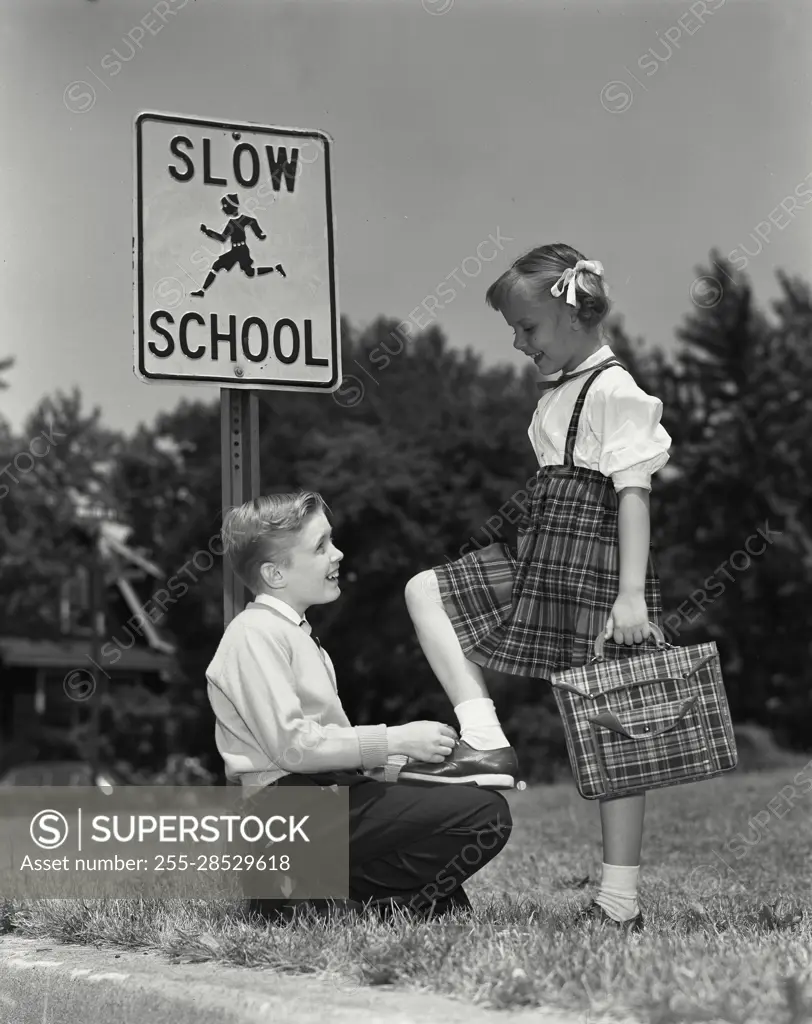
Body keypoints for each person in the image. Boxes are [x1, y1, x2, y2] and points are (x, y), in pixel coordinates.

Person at [401, 243, 672, 931]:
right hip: (541, 556)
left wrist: (632, 596)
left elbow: (633, 497)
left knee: (618, 730)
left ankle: (618, 902)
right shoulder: (554, 397)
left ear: (571, 312)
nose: (519, 343)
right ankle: (485, 737)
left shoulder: (616, 392)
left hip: (602, 568)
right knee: (426, 589)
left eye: (529, 328)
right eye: (515, 332)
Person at [205, 492, 512, 923]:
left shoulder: (299, 638)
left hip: (318, 801)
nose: (338, 553)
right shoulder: (253, 634)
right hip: (282, 813)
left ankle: (334, 901)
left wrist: (415, 763)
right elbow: (293, 749)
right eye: (321, 546)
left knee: (461, 846)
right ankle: (313, 896)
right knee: (485, 817)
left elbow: (331, 747)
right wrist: (394, 739)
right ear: (274, 573)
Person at [191, 193, 285, 297]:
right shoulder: (231, 223)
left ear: (231, 206)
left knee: (249, 272)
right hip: (235, 251)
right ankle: (202, 291)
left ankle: (276, 268)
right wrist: (207, 231)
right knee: (217, 266)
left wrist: (259, 233)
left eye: (225, 206)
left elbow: (252, 221)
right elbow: (223, 238)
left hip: (242, 250)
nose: (223, 209)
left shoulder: (241, 219)